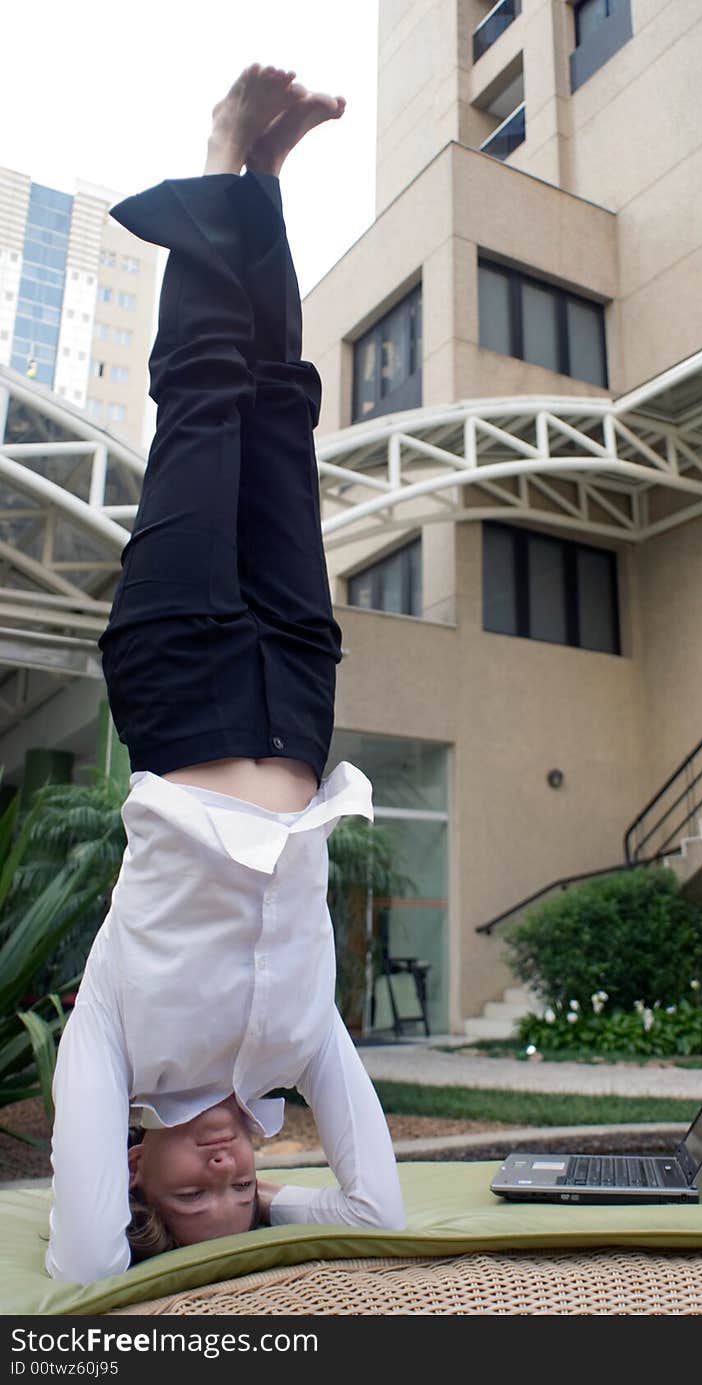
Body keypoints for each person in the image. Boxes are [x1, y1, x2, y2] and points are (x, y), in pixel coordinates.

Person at [45, 64, 406, 1283]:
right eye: (242, 1189)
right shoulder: (302, 1046)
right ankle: (265, 185)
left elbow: (93, 1263)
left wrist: (157, 1248)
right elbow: (373, 1213)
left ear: (137, 1175)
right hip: (298, 701)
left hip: (181, 675)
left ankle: (221, 151)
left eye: (192, 1189)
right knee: (280, 415)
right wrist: (266, 1222)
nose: (225, 1169)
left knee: (205, 399)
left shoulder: (112, 1044)